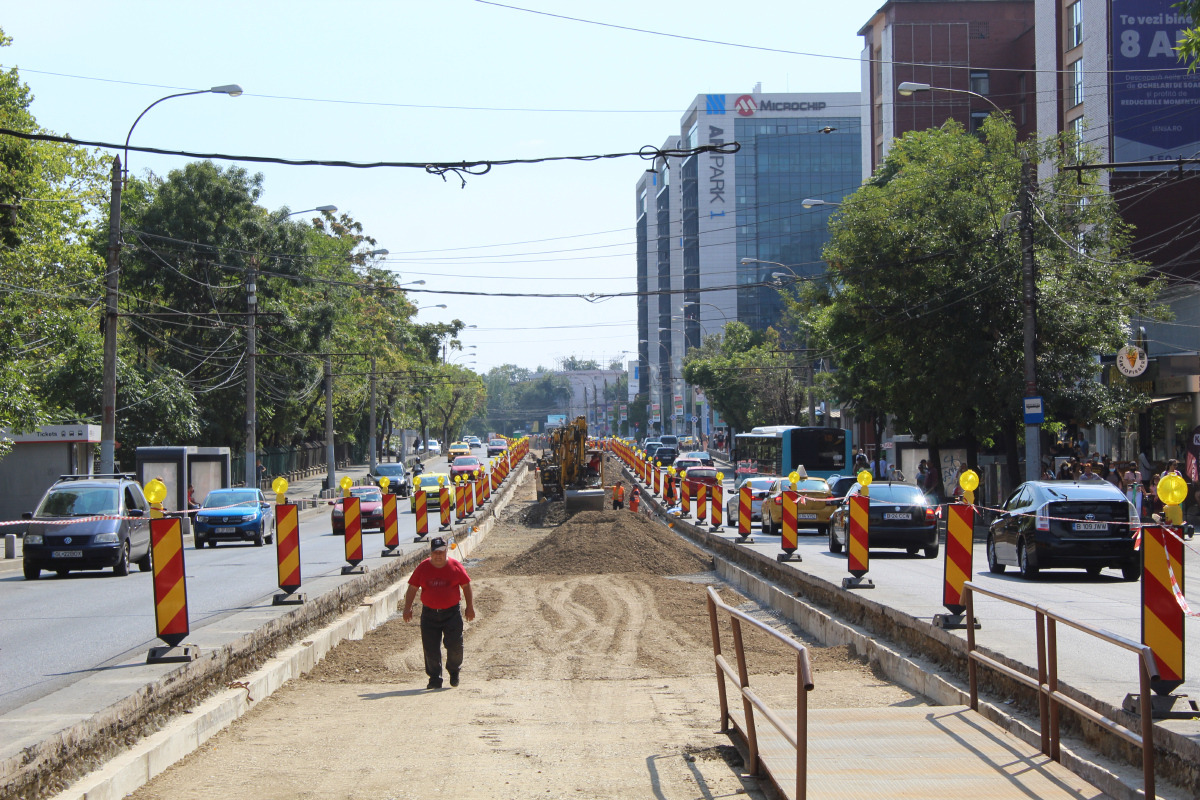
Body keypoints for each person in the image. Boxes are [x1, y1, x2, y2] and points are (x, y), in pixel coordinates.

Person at [403, 537, 475, 689]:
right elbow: (412, 588)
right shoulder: (423, 568)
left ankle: (454, 671)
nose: (438, 555)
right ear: (430, 552)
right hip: (429, 614)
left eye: (441, 552)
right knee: (430, 648)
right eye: (435, 552)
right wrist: (407, 607)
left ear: (446, 551)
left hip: (452, 614)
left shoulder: (455, 566)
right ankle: (435, 678)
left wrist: (470, 607)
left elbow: (466, 586)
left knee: (455, 645)